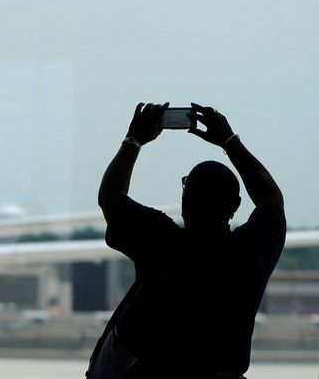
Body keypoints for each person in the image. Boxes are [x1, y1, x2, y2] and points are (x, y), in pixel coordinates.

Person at [87, 102, 285, 379]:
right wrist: (229, 141)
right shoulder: (252, 251)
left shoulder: (160, 241)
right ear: (235, 205)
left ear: (184, 201)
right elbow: (271, 198)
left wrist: (134, 139)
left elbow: (110, 196)